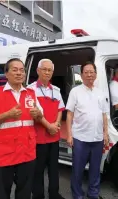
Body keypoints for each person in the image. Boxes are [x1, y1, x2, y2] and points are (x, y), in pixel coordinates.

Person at [0, 58, 44, 199]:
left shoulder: (30, 93)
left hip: (27, 153)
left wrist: (38, 114)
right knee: (2, 194)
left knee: (25, 193)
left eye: (22, 70)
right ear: (6, 73)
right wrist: (7, 115)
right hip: (4, 154)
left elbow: (40, 116)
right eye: (14, 70)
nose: (19, 73)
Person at [66, 61, 109, 199]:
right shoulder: (75, 91)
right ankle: (77, 195)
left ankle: (93, 193)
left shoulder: (100, 93)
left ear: (96, 74)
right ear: (82, 74)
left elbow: (104, 114)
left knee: (95, 170)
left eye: (92, 72)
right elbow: (69, 114)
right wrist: (69, 135)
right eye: (86, 72)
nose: (89, 75)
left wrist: (105, 133)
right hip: (80, 138)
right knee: (78, 170)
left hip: (97, 138)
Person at [27, 59, 65, 199]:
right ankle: (38, 195)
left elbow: (60, 109)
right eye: (44, 69)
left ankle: (54, 194)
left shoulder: (55, 90)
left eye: (50, 70)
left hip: (54, 137)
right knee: (38, 170)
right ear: (38, 70)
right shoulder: (30, 90)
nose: (47, 72)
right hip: (38, 139)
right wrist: (49, 126)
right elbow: (34, 112)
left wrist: (56, 123)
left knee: (54, 169)